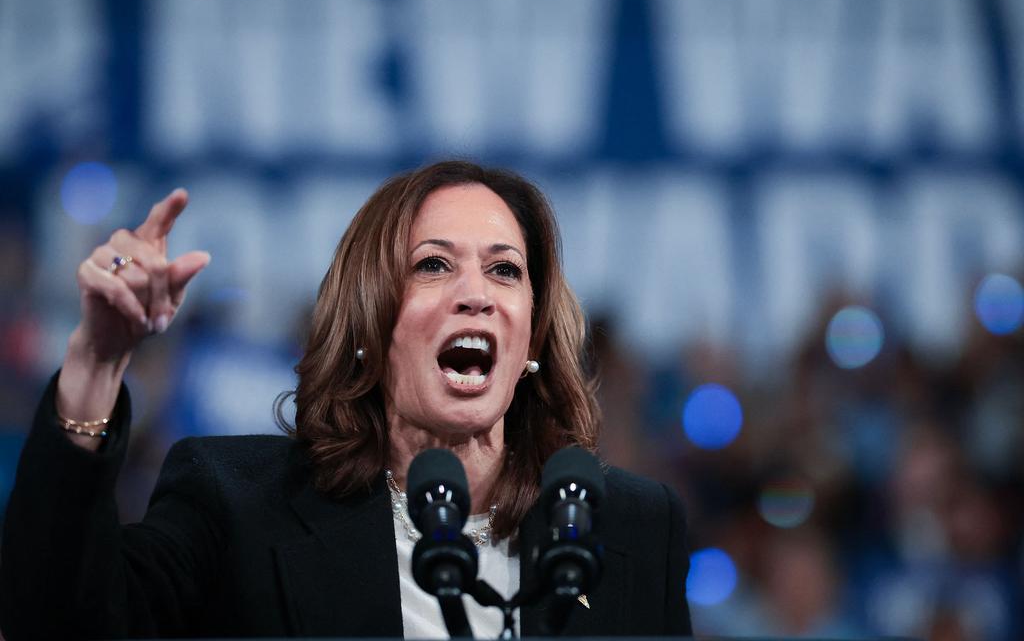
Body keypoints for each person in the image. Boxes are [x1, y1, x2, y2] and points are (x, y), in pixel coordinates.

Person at [0, 161, 692, 639]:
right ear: (369, 326)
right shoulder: (237, 506)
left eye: (505, 269)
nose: (475, 292)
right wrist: (98, 360)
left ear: (532, 336)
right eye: (434, 265)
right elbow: (57, 623)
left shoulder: (631, 526)